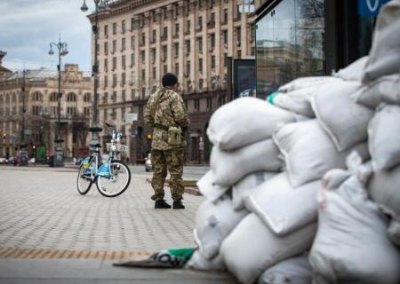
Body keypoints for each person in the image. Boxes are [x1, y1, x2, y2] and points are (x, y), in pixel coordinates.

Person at [144, 73, 189, 209]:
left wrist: (157, 130)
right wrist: (185, 123)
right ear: (174, 84)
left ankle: (159, 199)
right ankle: (177, 200)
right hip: (172, 138)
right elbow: (180, 116)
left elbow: (147, 119)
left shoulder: (153, 97)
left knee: (158, 170)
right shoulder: (174, 96)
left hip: (157, 139)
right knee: (175, 170)